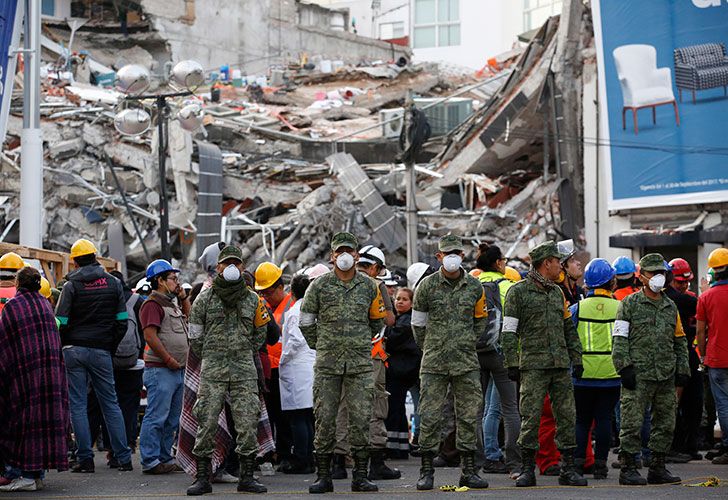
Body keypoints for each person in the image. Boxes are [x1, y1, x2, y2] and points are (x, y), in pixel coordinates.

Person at [300, 232, 387, 494]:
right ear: (332, 256)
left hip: (360, 365)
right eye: (340, 251)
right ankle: (324, 475)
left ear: (357, 255)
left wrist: (358, 342)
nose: (345, 256)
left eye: (349, 251)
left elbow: (378, 321)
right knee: (324, 418)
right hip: (328, 365)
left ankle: (360, 475)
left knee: (360, 418)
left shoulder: (369, 286)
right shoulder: (318, 286)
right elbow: (306, 322)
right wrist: (322, 344)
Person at [501, 240, 587, 488]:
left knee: (567, 416)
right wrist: (511, 362)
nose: (561, 266)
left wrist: (577, 358)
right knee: (531, 417)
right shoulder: (518, 292)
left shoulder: (556, 292)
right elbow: (509, 331)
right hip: (533, 365)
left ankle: (568, 468)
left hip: (560, 365)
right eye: (557, 262)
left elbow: (568, 328)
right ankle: (528, 469)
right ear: (545, 263)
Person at [186, 245, 270, 495]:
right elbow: (195, 335)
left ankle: (246, 476)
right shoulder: (204, 297)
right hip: (213, 369)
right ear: (218, 267)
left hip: (244, 370)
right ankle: (203, 477)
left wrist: (242, 351)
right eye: (227, 263)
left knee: (247, 422)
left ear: (242, 267)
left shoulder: (253, 299)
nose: (232, 267)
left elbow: (260, 334)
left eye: (236, 263)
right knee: (207, 420)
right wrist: (213, 354)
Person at [411, 235, 490, 491]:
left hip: (465, 362)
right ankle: (426, 471)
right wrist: (431, 347)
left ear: (462, 255)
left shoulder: (474, 287)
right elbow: (418, 325)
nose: (453, 256)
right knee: (431, 416)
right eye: (448, 252)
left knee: (468, 416)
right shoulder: (426, 287)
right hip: (434, 363)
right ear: (439, 257)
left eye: (456, 251)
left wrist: (466, 341)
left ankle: (468, 471)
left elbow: (481, 321)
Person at [55, 239, 133, 473]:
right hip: (101, 350)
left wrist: (64, 343)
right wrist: (108, 346)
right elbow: (122, 322)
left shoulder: (70, 286)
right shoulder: (112, 283)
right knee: (111, 403)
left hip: (74, 350)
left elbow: (61, 322)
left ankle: (85, 459)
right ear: (95, 256)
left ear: (75, 260)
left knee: (77, 405)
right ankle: (123, 458)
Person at [612, 253, 690, 485]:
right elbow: (619, 338)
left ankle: (657, 467)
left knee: (665, 423)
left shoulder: (669, 306)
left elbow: (680, 340)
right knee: (632, 423)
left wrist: (683, 368)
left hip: (665, 374)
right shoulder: (629, 304)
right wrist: (624, 367)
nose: (658, 277)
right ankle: (628, 469)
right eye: (653, 273)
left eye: (661, 273)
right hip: (638, 374)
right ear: (641, 277)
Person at [0, 267, 69, 492]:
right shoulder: (45, 305)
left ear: (19, 283)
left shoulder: (13, 307)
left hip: (25, 375)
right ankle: (37, 474)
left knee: (22, 421)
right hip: (50, 374)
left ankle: (25, 475)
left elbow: (5, 343)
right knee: (43, 421)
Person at [334, 244, 399, 481]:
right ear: (374, 267)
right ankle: (376, 463)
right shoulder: (375, 285)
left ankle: (339, 464)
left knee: (342, 407)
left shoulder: (333, 282)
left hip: (340, 357)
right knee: (374, 407)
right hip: (371, 357)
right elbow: (390, 320)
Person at [570, 259, 621, 480]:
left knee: (582, 420)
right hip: (611, 375)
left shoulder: (577, 308)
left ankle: (579, 462)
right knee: (604, 420)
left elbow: (568, 338)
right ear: (611, 281)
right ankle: (601, 465)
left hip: (582, 375)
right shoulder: (620, 307)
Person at [138, 260, 190, 474]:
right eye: (172, 279)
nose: (176, 283)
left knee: (171, 418)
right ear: (159, 281)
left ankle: (164, 456)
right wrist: (168, 359)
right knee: (157, 416)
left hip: (176, 370)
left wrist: (183, 297)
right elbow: (150, 336)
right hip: (162, 370)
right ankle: (150, 460)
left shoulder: (172, 303)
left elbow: (190, 317)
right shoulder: (152, 305)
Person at [474, 243, 521, 476]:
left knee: (476, 409)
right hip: (502, 353)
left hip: (474, 353)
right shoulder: (509, 287)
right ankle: (513, 461)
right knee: (509, 408)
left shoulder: (471, 286)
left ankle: (480, 458)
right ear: (498, 263)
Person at [254, 262, 295, 472]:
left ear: (280, 286)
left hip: (285, 369)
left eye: (268, 292)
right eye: (262, 292)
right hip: (268, 369)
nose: (265, 296)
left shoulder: (293, 305)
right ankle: (270, 452)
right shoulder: (264, 306)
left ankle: (286, 453)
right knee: (268, 414)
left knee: (283, 416)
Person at [278, 271, 318, 474]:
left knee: (297, 417)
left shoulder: (294, 312)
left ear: (292, 292)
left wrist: (283, 359)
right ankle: (309, 457)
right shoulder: (313, 309)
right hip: (310, 366)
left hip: (296, 367)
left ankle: (302, 459)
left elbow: (294, 340)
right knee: (307, 415)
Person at [665, 258, 703, 461]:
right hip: (673, 358)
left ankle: (690, 446)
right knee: (673, 403)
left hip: (688, 356)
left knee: (694, 403)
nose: (684, 285)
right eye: (680, 282)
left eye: (686, 282)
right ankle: (675, 446)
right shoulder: (676, 299)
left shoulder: (687, 298)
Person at [696, 247, 728, 464]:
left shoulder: (706, 297)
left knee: (724, 405)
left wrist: (703, 357)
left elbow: (700, 331)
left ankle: (727, 446)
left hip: (717, 357)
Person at [384, 287, 421, 459]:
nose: (399, 301)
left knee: (393, 408)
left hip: (400, 371)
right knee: (397, 408)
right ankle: (399, 446)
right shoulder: (402, 319)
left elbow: (391, 339)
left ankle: (393, 448)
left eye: (404, 299)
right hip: (400, 370)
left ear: (412, 303)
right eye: (398, 298)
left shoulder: (406, 322)